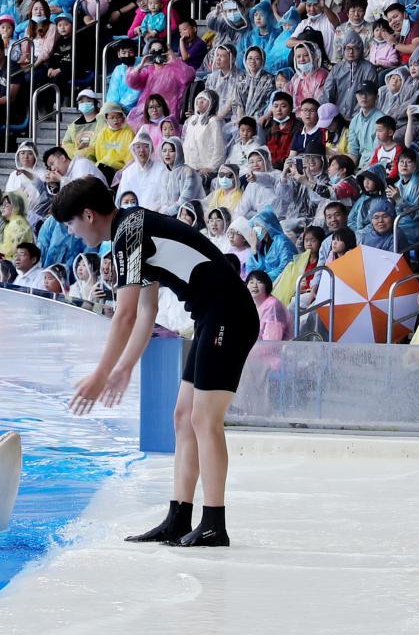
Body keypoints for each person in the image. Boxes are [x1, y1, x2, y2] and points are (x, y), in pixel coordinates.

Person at [55, 175, 258, 547]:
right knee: (183, 416)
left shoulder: (129, 233)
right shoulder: (132, 227)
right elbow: (146, 310)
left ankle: (214, 523)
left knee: (204, 418)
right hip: (211, 316)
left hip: (229, 315)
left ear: (88, 215)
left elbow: (125, 315)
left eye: (71, 224)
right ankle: (178, 518)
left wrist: (101, 374)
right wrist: (124, 367)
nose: (72, 233)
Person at [247, 269, 292, 341]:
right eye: (251, 282)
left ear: (267, 285)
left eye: (259, 282)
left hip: (273, 347)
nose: (254, 286)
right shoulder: (250, 303)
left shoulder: (272, 305)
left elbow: (272, 341)